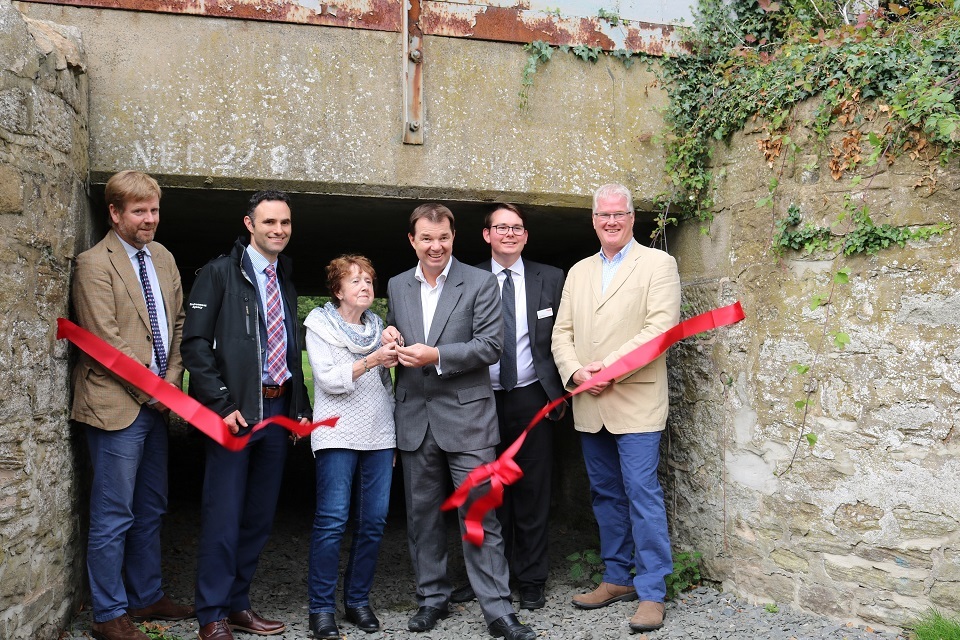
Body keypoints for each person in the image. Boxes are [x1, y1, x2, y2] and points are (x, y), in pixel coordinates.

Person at [382, 203, 537, 640]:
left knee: (480, 517)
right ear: (412, 240)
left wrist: (437, 357)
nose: (436, 246)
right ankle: (432, 599)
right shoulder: (396, 285)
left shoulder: (481, 282)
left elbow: (491, 346)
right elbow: (396, 332)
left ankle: (498, 611)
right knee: (422, 518)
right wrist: (390, 336)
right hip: (414, 418)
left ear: (455, 237)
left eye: (444, 237)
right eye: (427, 238)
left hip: (468, 420)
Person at [181, 190, 312, 640]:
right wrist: (222, 404)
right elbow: (195, 347)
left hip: (277, 410)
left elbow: (288, 351)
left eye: (286, 223)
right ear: (249, 224)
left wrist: (299, 410)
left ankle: (238, 604)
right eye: (270, 222)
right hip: (235, 414)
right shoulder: (219, 273)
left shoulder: (284, 280)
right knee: (224, 513)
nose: (279, 230)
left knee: (258, 516)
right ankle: (211, 614)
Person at [551, 183, 681, 633]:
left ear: (632, 218)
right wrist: (577, 374)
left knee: (641, 493)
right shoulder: (579, 271)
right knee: (605, 494)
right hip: (590, 401)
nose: (611, 221)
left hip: (635, 398)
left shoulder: (659, 264)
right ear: (593, 220)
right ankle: (616, 577)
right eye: (603, 215)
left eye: (619, 214)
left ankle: (651, 592)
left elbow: (660, 328)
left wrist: (607, 369)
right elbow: (561, 334)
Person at [71, 170, 193, 640]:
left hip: (155, 404)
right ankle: (108, 614)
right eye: (139, 211)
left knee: (151, 506)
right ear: (115, 213)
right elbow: (106, 342)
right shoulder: (92, 264)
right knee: (113, 512)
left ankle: (145, 598)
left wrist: (171, 379)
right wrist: (156, 393)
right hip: (115, 407)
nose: (149, 220)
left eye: (154, 210)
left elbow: (178, 324)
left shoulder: (162, 257)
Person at [450, 203, 565, 610]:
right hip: (479, 398)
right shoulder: (465, 279)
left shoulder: (551, 278)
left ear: (526, 235)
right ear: (486, 235)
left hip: (532, 396)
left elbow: (562, 338)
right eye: (501, 228)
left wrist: (558, 392)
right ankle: (486, 576)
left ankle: (531, 577)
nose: (510, 234)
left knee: (533, 490)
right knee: (484, 492)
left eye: (517, 228)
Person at [303, 255, 398, 639]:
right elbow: (327, 381)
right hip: (336, 433)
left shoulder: (380, 327)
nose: (364, 287)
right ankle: (321, 609)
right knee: (332, 522)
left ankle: (358, 600)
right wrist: (373, 359)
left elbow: (386, 386)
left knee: (373, 522)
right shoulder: (319, 325)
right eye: (355, 280)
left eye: (369, 281)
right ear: (337, 290)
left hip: (379, 434)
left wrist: (391, 438)